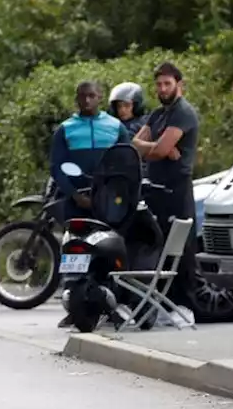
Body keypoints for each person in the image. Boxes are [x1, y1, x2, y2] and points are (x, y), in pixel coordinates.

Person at [132, 61, 199, 299]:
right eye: (159, 84)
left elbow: (157, 150)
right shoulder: (158, 114)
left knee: (181, 251)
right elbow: (135, 144)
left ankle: (188, 303)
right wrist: (159, 148)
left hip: (176, 191)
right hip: (155, 190)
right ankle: (157, 301)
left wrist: (158, 149)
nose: (162, 89)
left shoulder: (183, 113)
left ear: (179, 85)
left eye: (167, 84)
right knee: (155, 246)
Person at [50, 81, 130, 222]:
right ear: (76, 99)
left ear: (100, 97)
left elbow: (125, 164)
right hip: (74, 200)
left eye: (91, 95)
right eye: (82, 96)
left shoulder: (116, 127)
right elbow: (56, 167)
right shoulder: (65, 129)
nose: (87, 100)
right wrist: (75, 196)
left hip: (107, 200)